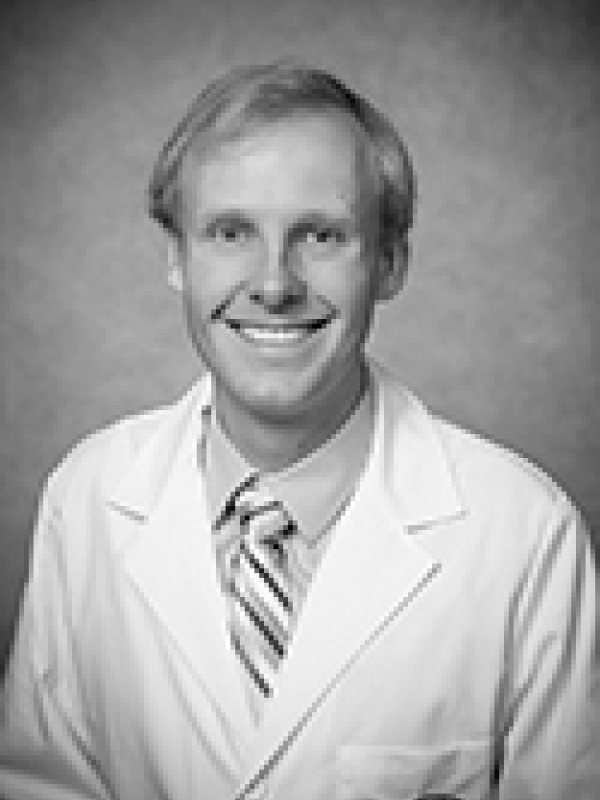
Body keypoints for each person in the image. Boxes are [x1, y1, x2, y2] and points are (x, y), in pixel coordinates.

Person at [0, 61, 597, 800]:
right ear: (177, 259)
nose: (274, 285)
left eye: (320, 235)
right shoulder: (86, 498)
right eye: (230, 233)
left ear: (389, 263)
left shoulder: (526, 534)